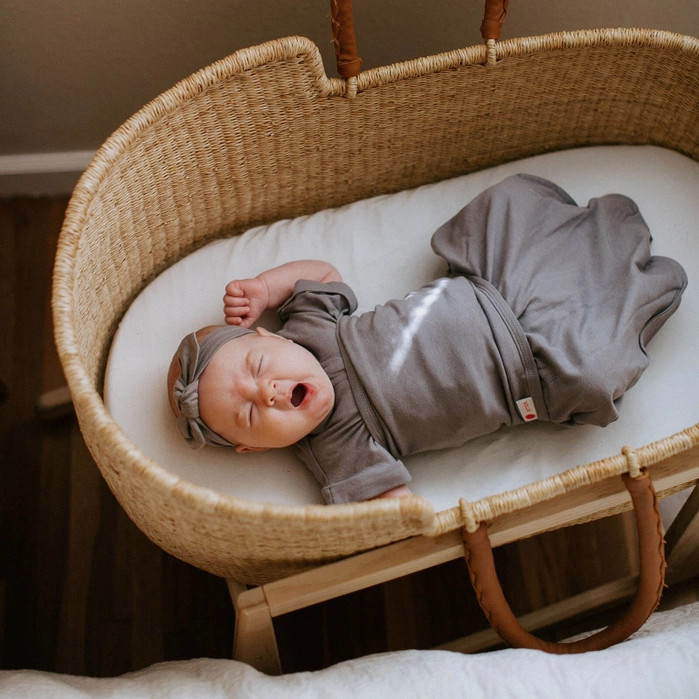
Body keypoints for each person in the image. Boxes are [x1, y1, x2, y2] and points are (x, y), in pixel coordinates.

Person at [168, 174, 687, 504]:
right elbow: (393, 503)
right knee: (595, 372)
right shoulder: (335, 451)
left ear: (269, 335)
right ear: (253, 449)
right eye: (251, 415)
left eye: (259, 368)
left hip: (489, 285)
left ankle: (593, 242)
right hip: (531, 375)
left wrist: (266, 287)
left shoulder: (308, 330)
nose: (269, 393)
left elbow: (322, 274)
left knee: (505, 202)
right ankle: (634, 288)